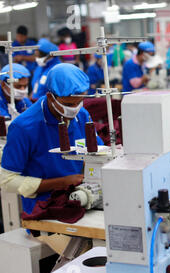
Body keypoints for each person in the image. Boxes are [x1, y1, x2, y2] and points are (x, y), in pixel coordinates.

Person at [0, 63, 103, 215]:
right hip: (44, 208)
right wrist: (61, 183)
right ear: (50, 97)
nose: (75, 108)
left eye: (79, 101)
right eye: (68, 104)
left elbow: (99, 152)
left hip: (80, 197)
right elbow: (7, 181)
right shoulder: (24, 127)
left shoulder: (81, 115)